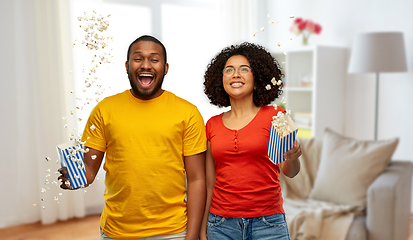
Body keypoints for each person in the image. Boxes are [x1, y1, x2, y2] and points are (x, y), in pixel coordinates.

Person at [58, 35, 207, 240]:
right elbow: (90, 168)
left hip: (173, 231)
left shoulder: (188, 113)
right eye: (138, 59)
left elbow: (197, 178)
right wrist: (75, 177)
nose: (146, 65)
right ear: (127, 66)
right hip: (117, 231)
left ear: (165, 68)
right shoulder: (105, 109)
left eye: (154, 59)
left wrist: (192, 236)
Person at [200, 42, 302, 240]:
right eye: (229, 70)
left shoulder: (279, 116)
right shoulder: (211, 125)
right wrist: (203, 229)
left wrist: (293, 157)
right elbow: (209, 184)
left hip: (269, 224)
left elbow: (291, 172)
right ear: (221, 80)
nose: (235, 74)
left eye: (244, 69)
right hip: (221, 225)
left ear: (256, 80)